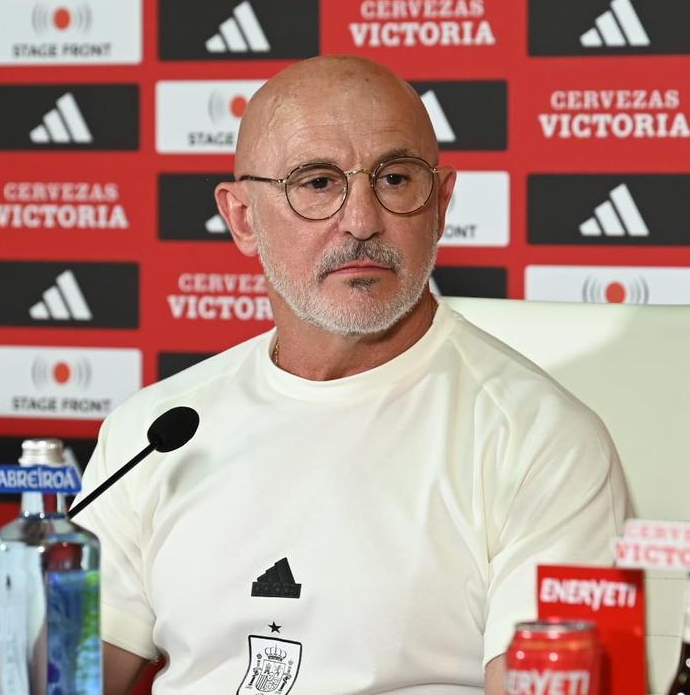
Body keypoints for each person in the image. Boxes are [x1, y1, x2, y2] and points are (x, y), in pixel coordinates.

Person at [75, 55, 629, 694]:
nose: (362, 221)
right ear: (242, 218)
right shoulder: (153, 431)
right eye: (316, 183)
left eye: (395, 179)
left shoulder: (540, 439)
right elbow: (67, 676)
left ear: (441, 205)